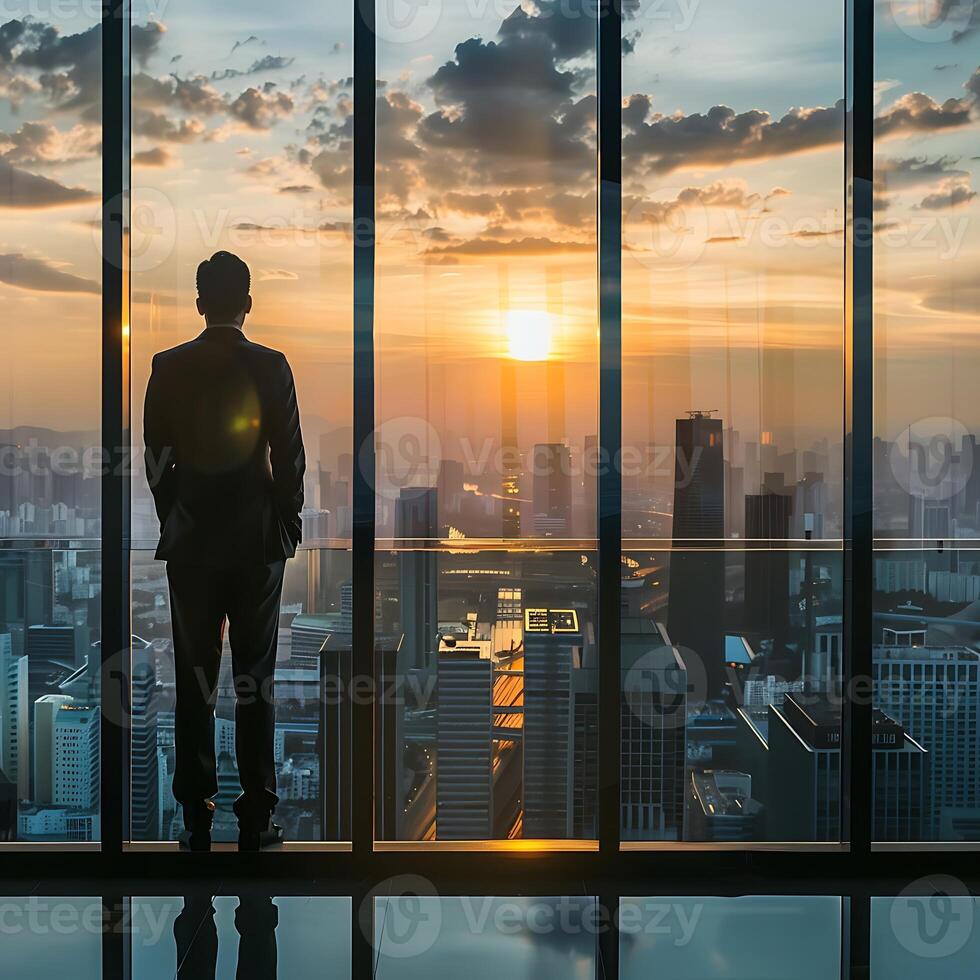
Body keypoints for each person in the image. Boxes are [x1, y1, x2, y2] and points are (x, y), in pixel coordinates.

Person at [144, 251, 305, 852]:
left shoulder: (168, 366)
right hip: (257, 546)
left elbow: (156, 459)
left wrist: (176, 517)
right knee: (254, 679)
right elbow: (290, 456)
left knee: (194, 679)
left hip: (192, 547)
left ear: (198, 302)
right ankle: (257, 818)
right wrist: (283, 525)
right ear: (248, 303)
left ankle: (196, 819)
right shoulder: (271, 366)